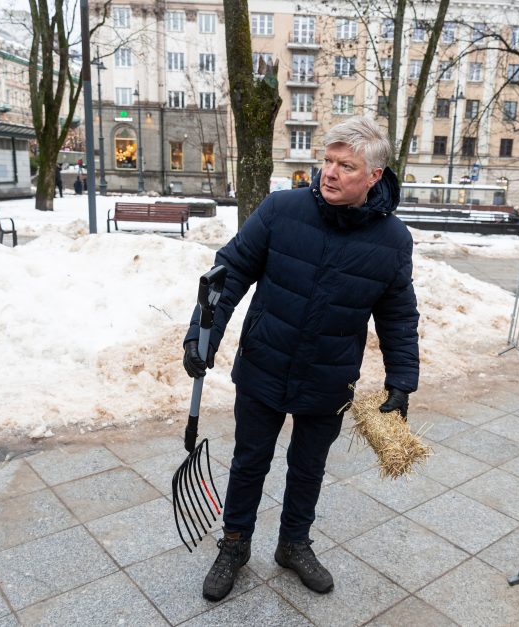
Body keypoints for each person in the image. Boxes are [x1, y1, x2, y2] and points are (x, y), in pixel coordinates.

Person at [181, 116, 419, 602]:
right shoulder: (281, 210)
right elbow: (227, 275)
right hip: (265, 363)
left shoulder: (392, 240)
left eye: (345, 165)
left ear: (374, 176)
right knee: (250, 462)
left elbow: (398, 315)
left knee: (308, 467)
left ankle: (293, 544)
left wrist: (401, 381)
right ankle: (234, 544)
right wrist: (201, 336)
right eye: (326, 161)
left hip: (329, 376)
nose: (329, 173)